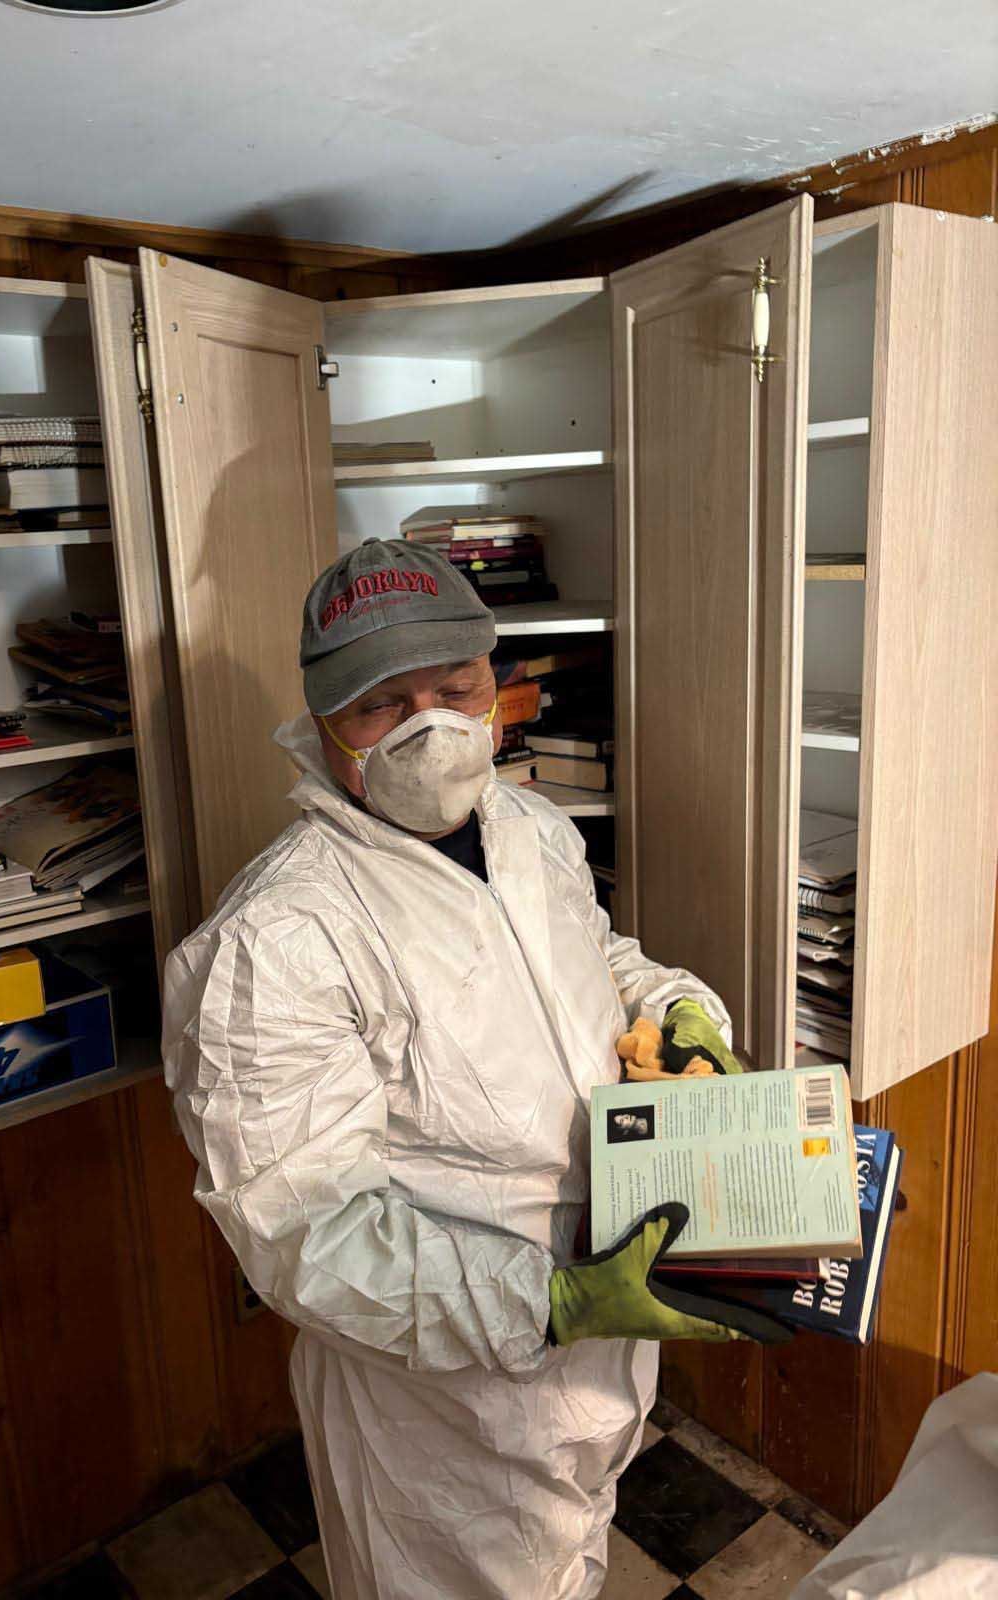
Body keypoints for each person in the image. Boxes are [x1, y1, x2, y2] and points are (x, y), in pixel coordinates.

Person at [163, 539, 785, 1600]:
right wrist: (559, 1299)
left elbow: (598, 961)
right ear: (324, 722)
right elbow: (306, 1234)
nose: (432, 725)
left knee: (573, 1562)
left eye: (455, 687)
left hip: (595, 1355)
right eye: (382, 704)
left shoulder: (530, 827)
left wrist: (676, 1010)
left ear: (496, 684)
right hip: (442, 1420)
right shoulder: (275, 942)